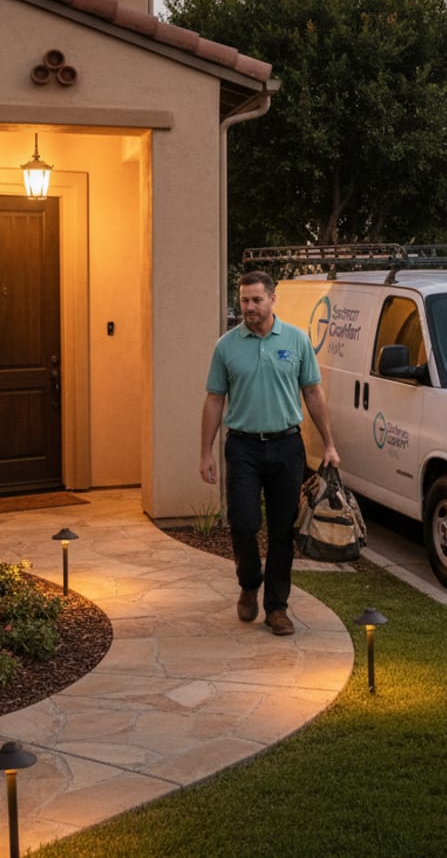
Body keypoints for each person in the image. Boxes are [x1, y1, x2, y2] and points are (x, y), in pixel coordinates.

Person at [200, 270, 339, 636]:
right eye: (244, 300)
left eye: (256, 300)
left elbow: (312, 393)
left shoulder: (296, 340)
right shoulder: (226, 346)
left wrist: (329, 443)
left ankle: (276, 607)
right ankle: (249, 583)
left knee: (281, 530)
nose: (249, 307)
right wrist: (206, 452)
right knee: (244, 523)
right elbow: (214, 399)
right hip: (243, 447)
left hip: (286, 446)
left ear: (272, 299)